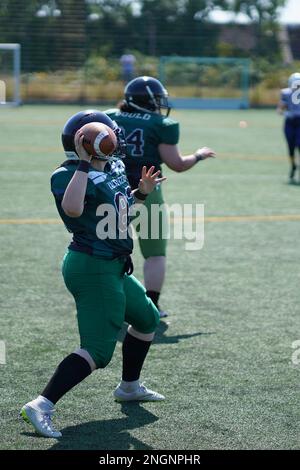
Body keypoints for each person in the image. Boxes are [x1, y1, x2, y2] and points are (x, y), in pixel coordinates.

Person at [20, 110, 166, 438]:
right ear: (91, 142)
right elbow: (73, 208)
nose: (118, 139)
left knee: (147, 319)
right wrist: (85, 163)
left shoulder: (112, 167)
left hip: (113, 263)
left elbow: (119, 213)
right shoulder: (67, 174)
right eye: (111, 135)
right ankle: (41, 404)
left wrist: (141, 193)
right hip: (91, 266)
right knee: (98, 350)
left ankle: (129, 387)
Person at [106, 76, 215, 317]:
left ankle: (109, 301)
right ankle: (151, 306)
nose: (159, 104)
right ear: (147, 101)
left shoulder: (109, 116)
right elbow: (176, 164)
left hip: (110, 189)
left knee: (106, 249)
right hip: (147, 191)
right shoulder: (162, 124)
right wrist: (197, 155)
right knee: (154, 253)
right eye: (156, 100)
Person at [277, 72, 300, 183]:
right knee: (291, 147)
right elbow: (280, 109)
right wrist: (284, 112)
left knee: (299, 145)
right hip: (290, 122)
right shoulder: (286, 93)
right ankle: (293, 165)